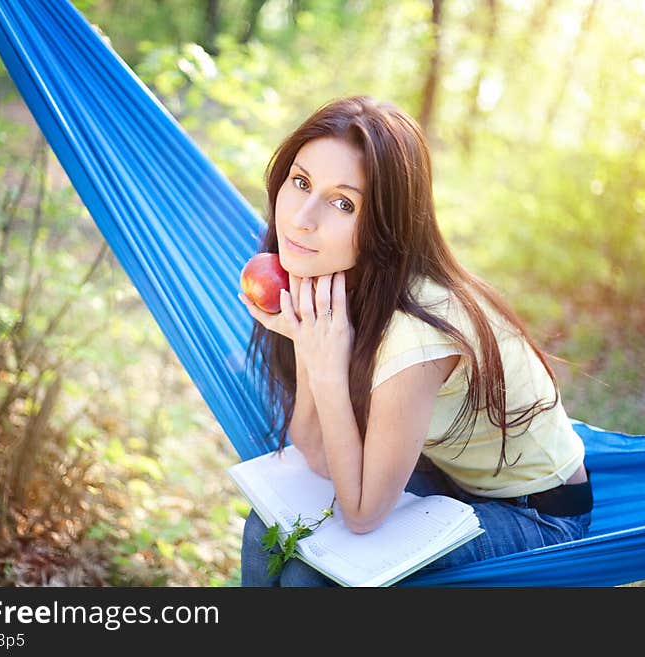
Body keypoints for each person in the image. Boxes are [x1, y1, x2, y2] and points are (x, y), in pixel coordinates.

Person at [237, 95, 592, 587]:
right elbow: (314, 452)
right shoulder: (335, 284)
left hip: (538, 515)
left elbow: (363, 514)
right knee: (268, 532)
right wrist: (309, 344)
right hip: (449, 478)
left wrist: (324, 367)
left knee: (309, 578)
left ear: (385, 224)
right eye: (301, 182)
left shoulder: (414, 333)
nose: (301, 218)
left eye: (343, 203)